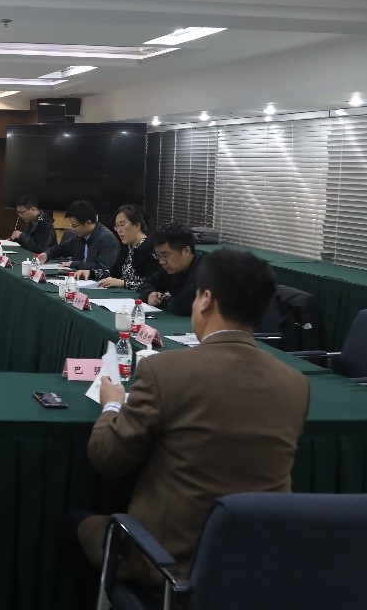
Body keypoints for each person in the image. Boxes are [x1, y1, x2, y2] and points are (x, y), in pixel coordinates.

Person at [73, 249, 310, 592]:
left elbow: (108, 458)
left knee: (73, 524)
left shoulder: (164, 371)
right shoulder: (296, 384)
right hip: (258, 567)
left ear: (206, 300)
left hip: (168, 566)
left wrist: (112, 405)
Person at [79, 204, 159, 290]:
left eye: (122, 225)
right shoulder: (127, 247)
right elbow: (114, 273)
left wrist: (123, 283)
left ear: (137, 226)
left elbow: (154, 286)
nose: (119, 230)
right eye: (117, 226)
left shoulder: (151, 249)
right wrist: (91, 273)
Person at [37, 200, 120, 277]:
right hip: (78, 278)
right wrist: (47, 254)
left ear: (88, 223)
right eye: (71, 226)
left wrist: (74, 264)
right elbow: (63, 248)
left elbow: (104, 268)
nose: (73, 229)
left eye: (75, 226)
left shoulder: (106, 239)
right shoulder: (80, 237)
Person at [136, 222, 201, 316]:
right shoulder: (172, 268)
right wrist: (150, 294)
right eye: (158, 256)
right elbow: (147, 283)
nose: (161, 262)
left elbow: (183, 305)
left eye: (165, 256)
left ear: (186, 251)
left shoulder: (204, 272)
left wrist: (162, 299)